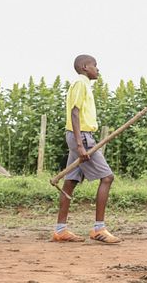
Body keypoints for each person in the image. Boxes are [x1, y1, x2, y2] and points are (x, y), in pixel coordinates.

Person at [52, 54, 121, 244]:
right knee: (107, 177)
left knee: (70, 182)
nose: (98, 69)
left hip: (80, 136)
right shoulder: (80, 84)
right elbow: (75, 113)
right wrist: (80, 144)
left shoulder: (84, 85)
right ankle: (99, 229)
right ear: (84, 67)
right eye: (95, 65)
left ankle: (60, 230)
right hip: (81, 136)